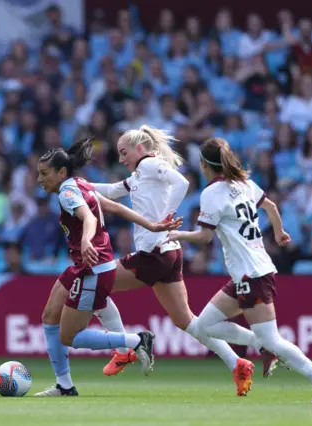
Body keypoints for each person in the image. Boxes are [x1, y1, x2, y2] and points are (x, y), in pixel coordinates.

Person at [91, 126, 277, 396]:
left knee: (95, 285)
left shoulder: (151, 164)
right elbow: (111, 190)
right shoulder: (140, 174)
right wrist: (76, 185)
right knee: (187, 321)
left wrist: (163, 218)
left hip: (154, 252)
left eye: (124, 153)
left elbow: (182, 183)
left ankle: (123, 350)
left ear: (139, 149)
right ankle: (240, 359)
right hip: (169, 252)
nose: (121, 160)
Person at [166, 137, 312, 404]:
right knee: (204, 326)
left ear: (204, 164)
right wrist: (279, 232)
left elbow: (205, 238)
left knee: (273, 339)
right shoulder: (244, 184)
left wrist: (176, 234)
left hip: (252, 275)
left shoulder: (211, 193)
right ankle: (261, 347)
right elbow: (270, 206)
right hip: (248, 273)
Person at [33, 138, 183, 397]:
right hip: (86, 266)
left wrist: (85, 239)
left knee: (68, 337)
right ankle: (64, 385)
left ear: (61, 172)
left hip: (93, 269)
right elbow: (114, 207)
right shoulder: (80, 185)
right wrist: (153, 225)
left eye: (44, 174)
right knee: (49, 316)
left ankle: (135, 341)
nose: (39, 179)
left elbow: (89, 218)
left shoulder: (68, 193)